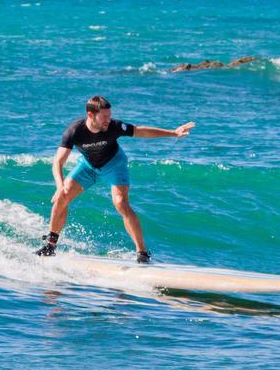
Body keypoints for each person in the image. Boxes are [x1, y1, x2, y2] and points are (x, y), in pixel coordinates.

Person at [36, 95, 195, 263]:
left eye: (109, 116)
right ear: (91, 115)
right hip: (88, 165)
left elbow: (141, 130)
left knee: (120, 202)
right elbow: (58, 162)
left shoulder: (114, 127)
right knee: (62, 196)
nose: (108, 120)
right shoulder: (75, 131)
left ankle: (142, 252)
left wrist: (173, 133)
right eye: (104, 117)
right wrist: (60, 187)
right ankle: (50, 245)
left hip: (114, 164)